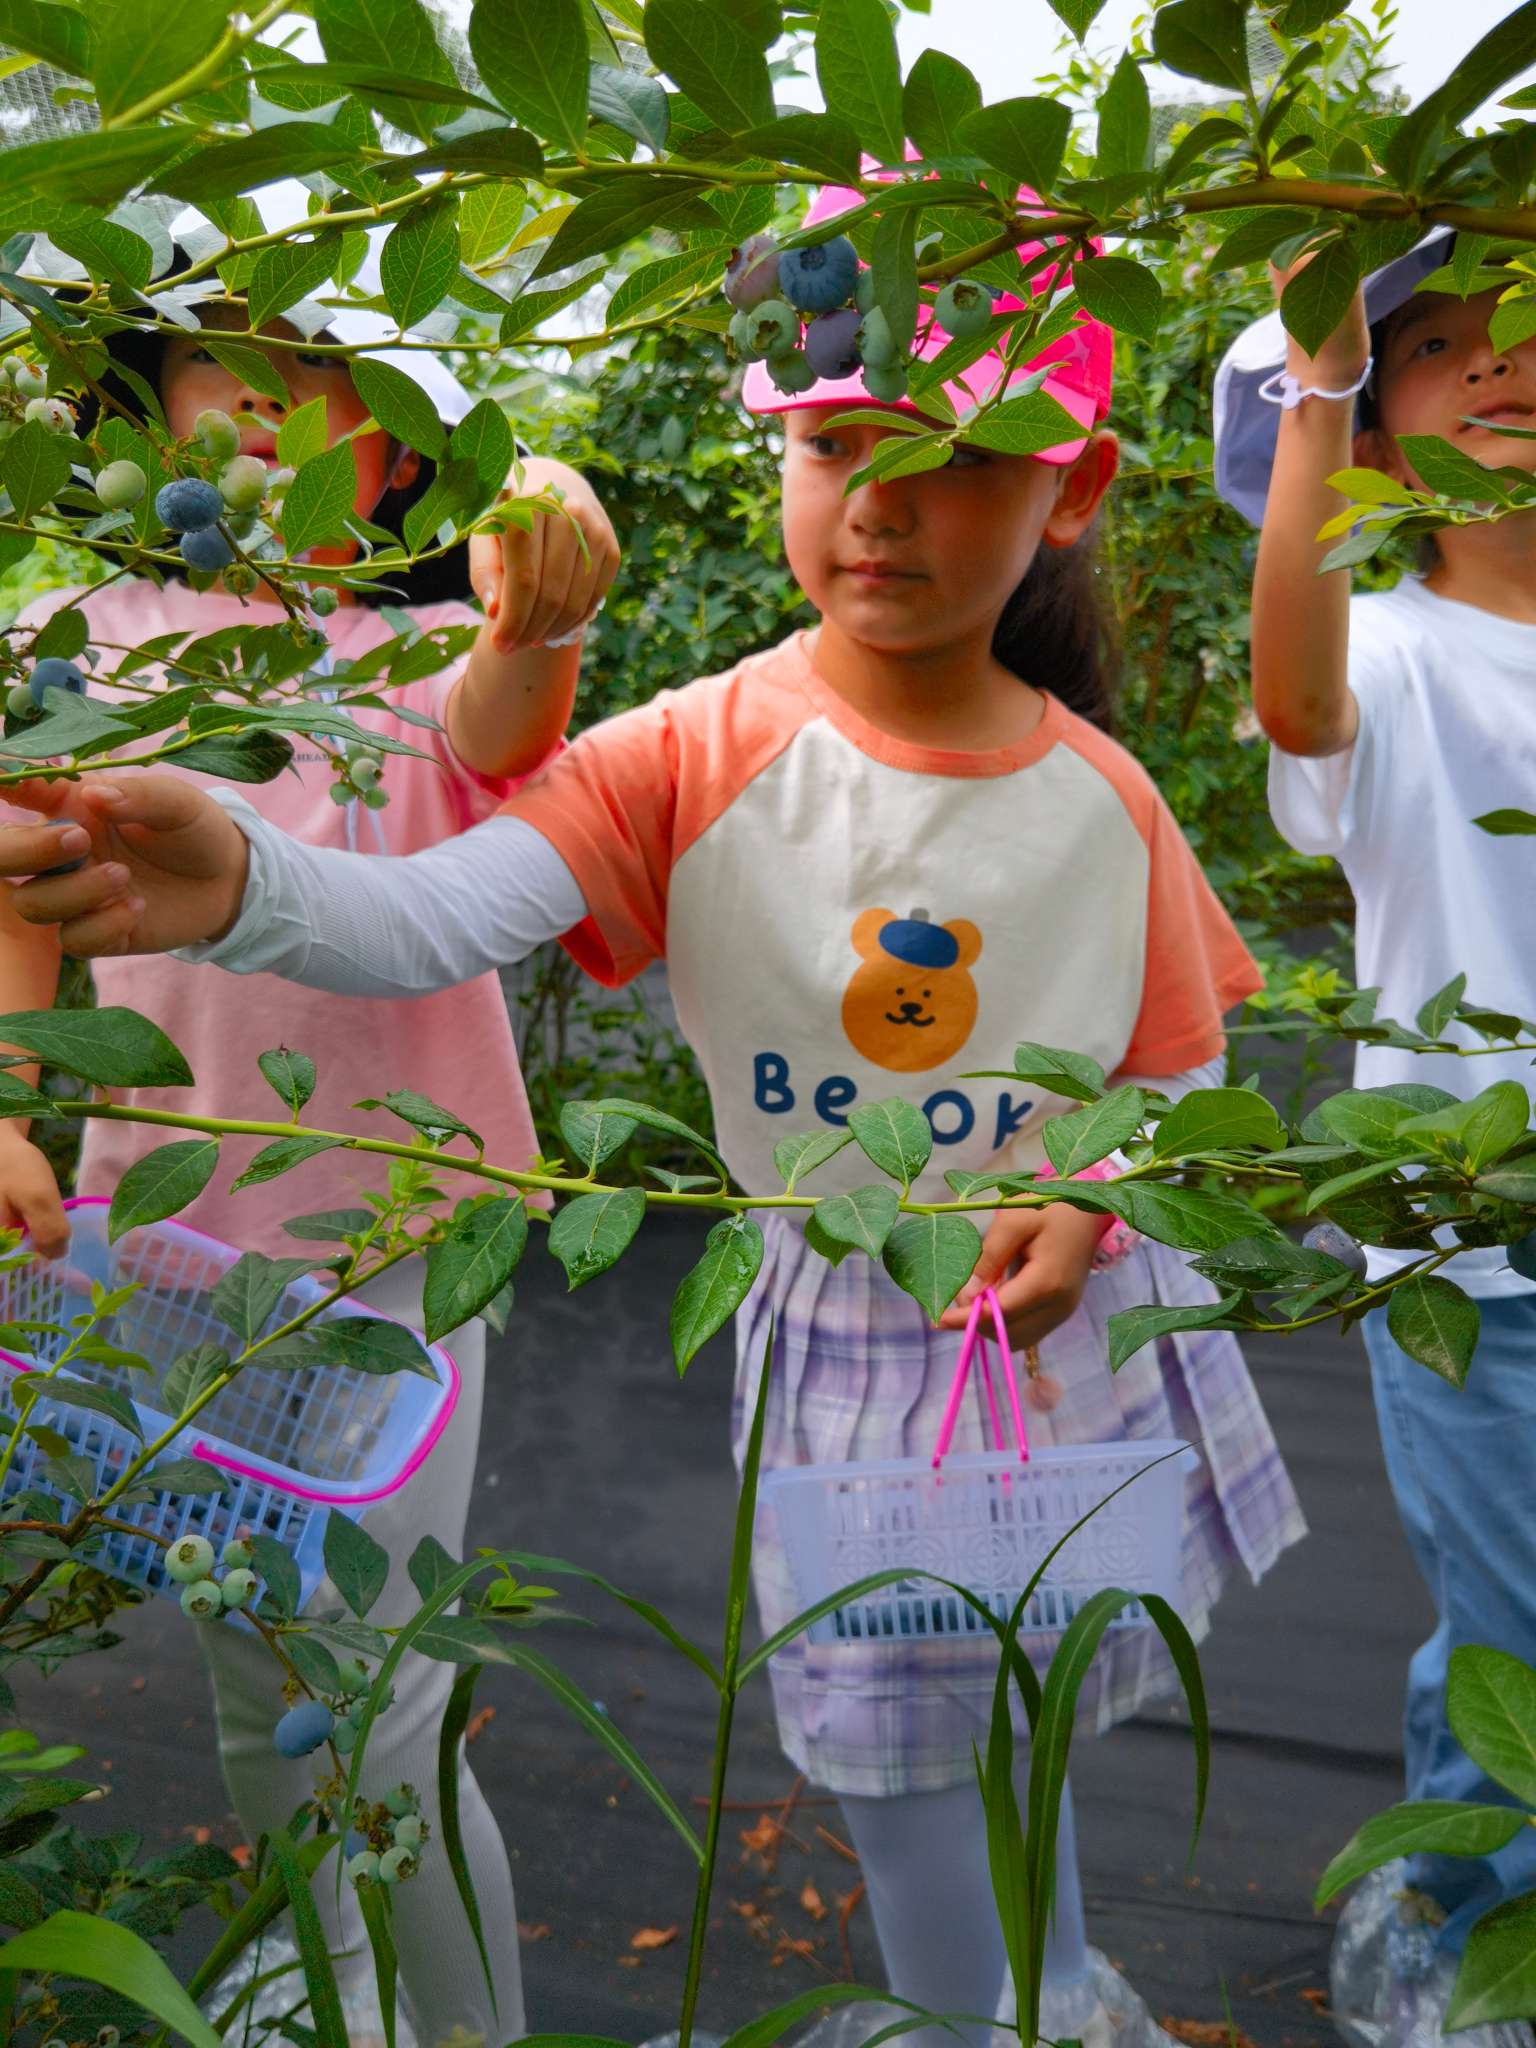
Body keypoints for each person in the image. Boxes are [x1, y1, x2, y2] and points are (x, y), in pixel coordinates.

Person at [0, 182, 1305, 2048]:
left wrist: (1094, 1194)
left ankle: (1033, 1996)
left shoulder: (1101, 795)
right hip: (852, 1340)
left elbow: (1178, 1067)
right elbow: (426, 912)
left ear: (1068, 490)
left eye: (949, 454)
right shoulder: (690, 754)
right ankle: (1004, 2011)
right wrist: (241, 886)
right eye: (841, 441)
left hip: (1063, 1339)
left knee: (1027, 1717)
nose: (881, 501)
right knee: (921, 1767)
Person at [0, 293, 619, 2048]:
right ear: (138, 411)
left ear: (404, 439)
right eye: (220, 368)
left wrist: (540, 601)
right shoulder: (78, 637)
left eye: (312, 375)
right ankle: (339, 1990)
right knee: (241, 1672)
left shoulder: (402, 664)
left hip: (402, 1248)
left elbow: (504, 715)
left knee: (383, 1702)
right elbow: (18, 871)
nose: (261, 411)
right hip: (178, 1240)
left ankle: (463, 2028)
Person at [1214, 233, 1536, 2048]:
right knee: (1517, 1633)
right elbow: (1296, 699)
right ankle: (1480, 1938)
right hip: (1474, 1254)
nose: (1496, 364)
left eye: (1526, 331)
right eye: (1438, 347)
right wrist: (1319, 381)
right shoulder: (1392, 657)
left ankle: (1442, 1883)